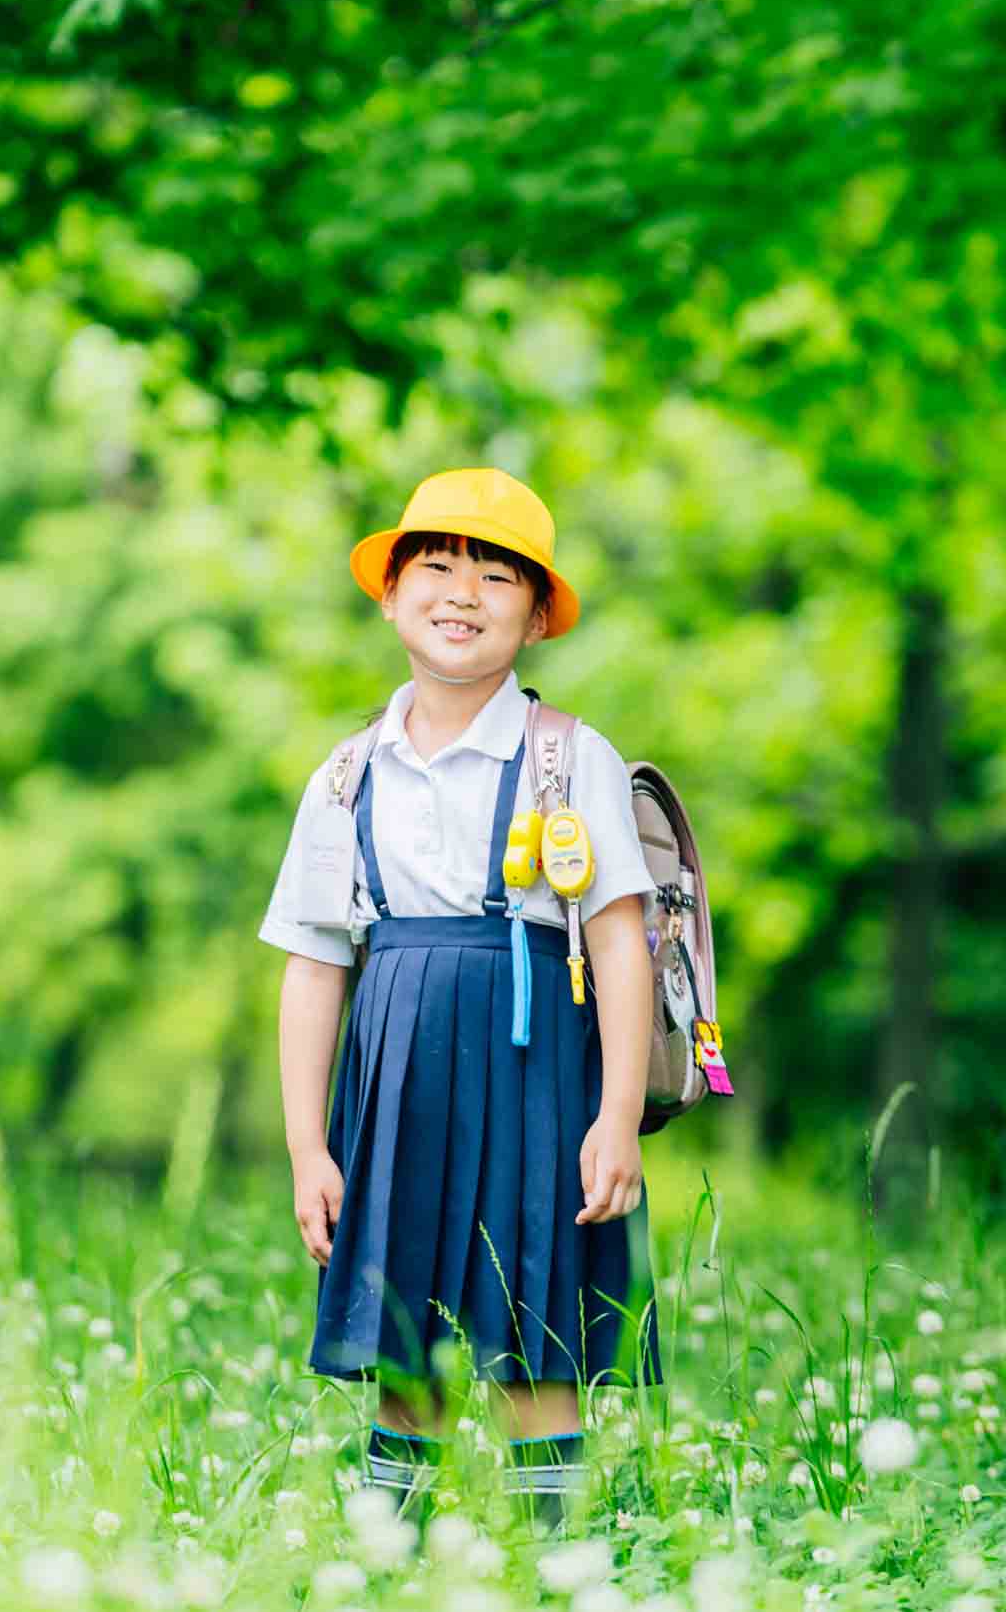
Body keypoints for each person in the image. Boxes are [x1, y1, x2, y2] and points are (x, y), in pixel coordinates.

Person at [260, 467, 665, 1527]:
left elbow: (620, 939)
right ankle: (385, 1560)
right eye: (434, 566)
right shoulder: (348, 774)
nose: (462, 591)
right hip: (396, 1076)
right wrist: (310, 1143)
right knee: (406, 1336)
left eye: (496, 574)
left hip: (537, 1070)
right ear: (390, 595)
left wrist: (615, 1113)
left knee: (537, 1326)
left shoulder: (568, 756)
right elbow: (313, 964)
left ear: (535, 616)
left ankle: (554, 1557)